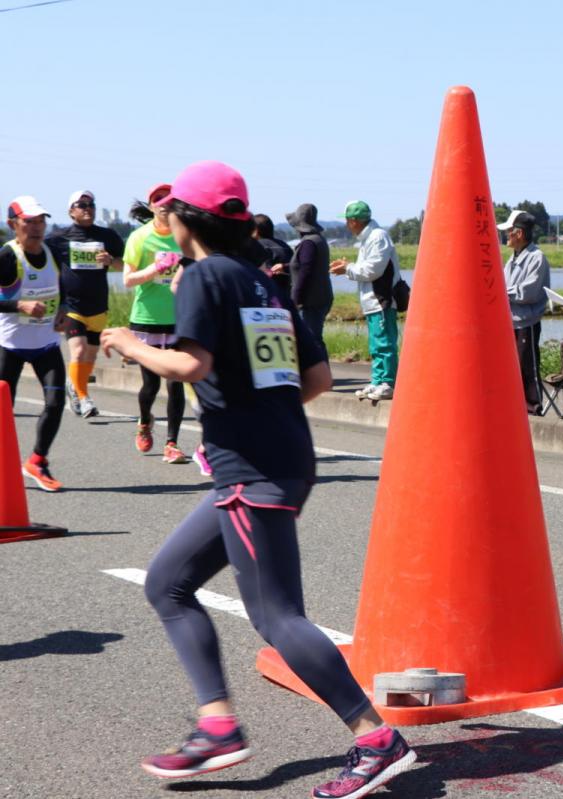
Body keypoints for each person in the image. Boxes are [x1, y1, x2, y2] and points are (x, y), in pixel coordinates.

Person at [100, 161, 415, 798]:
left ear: (186, 218)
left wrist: (130, 343)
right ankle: (218, 725)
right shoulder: (259, 282)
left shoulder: (205, 275)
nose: (163, 219)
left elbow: (190, 363)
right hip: (277, 457)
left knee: (276, 616)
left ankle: (376, 739)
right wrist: (260, 411)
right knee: (168, 583)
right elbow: (319, 379)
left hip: (252, 468)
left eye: (168, 210)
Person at [1, 196, 67, 492]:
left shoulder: (54, 252)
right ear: (12, 224)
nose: (37, 227)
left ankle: (37, 462)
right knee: (4, 412)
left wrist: (65, 310)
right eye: (29, 222)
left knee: (55, 404)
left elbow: (64, 288)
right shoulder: (7, 256)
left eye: (41, 221)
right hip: (10, 346)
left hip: (47, 344)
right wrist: (20, 306)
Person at [45, 190, 125, 419]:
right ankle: (83, 397)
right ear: (71, 211)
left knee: (89, 355)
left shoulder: (108, 236)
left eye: (91, 204)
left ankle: (76, 386)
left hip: (98, 305)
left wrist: (111, 261)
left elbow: (124, 267)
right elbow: (43, 265)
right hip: (71, 306)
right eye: (81, 204)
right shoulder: (57, 239)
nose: (87, 208)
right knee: (78, 351)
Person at [123, 185, 189, 464]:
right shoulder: (140, 238)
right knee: (150, 386)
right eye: (158, 200)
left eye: (170, 200)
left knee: (176, 384)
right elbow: (127, 280)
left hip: (179, 319)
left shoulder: (183, 235)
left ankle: (172, 442)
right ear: (151, 207)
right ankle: (144, 422)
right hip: (146, 319)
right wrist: (155, 270)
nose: (165, 204)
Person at [330, 201, 398, 401]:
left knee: (384, 343)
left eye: (347, 220)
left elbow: (372, 270)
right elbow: (367, 267)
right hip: (372, 301)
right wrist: (348, 266)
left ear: (353, 221)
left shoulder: (378, 237)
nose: (345, 224)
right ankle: (378, 381)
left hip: (381, 299)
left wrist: (347, 268)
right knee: (376, 345)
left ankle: (388, 383)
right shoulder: (368, 238)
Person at [498, 210, 551, 415]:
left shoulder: (537, 258)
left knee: (527, 366)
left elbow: (528, 292)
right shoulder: (512, 258)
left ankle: (533, 407)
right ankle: (515, 406)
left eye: (508, 231)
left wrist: (500, 291)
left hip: (526, 322)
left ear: (518, 233)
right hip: (511, 321)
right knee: (511, 367)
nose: (505, 236)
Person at [285, 202, 332, 353]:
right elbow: (306, 265)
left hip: (310, 301)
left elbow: (306, 271)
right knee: (314, 339)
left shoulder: (308, 243)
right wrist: (286, 267)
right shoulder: (318, 239)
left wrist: (296, 300)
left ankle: (321, 375)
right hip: (321, 298)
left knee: (312, 341)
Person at [251, 213, 293, 296]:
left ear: (255, 230)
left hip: (266, 295)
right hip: (286, 295)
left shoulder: (256, 246)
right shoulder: (284, 245)